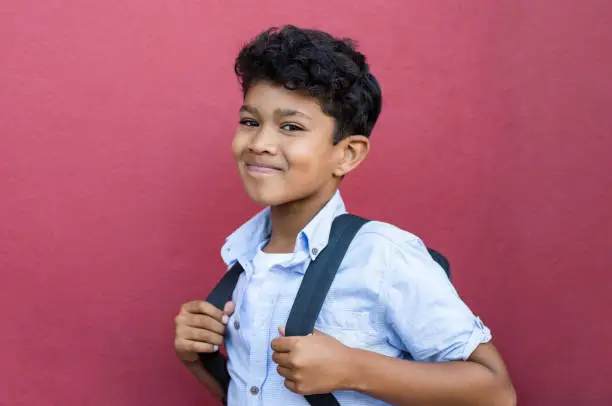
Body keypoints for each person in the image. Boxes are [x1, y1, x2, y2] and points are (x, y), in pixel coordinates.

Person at [173, 25, 516, 406]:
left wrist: (353, 369)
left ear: (347, 154)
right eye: (250, 122)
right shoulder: (243, 260)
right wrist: (199, 359)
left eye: (291, 127)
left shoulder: (383, 256)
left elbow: (495, 392)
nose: (260, 144)